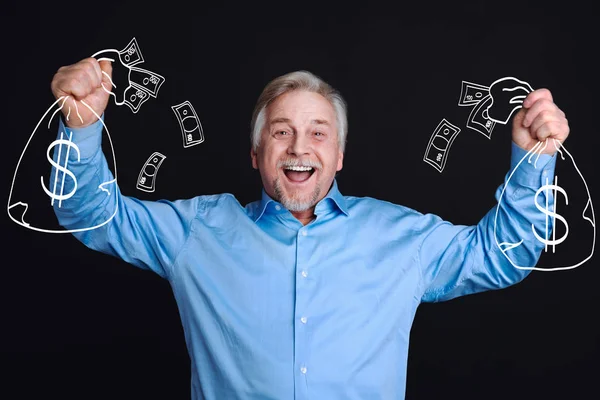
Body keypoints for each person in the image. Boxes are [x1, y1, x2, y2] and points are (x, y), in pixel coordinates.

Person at [50, 57, 569, 399]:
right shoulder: (197, 231)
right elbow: (91, 215)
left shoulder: (402, 238)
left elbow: (505, 255)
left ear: (339, 155)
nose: (300, 148)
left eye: (318, 133)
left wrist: (530, 159)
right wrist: (80, 124)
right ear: (257, 154)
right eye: (282, 132)